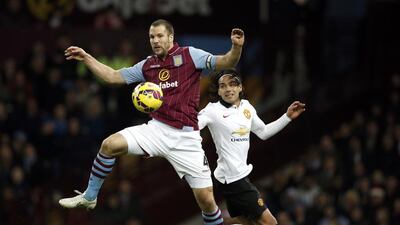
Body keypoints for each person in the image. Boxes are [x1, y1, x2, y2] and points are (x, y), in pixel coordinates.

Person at [58, 19, 244, 225]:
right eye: (151, 37)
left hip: (187, 138)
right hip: (156, 130)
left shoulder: (190, 55)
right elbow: (112, 76)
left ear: (171, 37)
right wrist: (87, 58)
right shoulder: (148, 65)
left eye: (160, 36)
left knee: (207, 201)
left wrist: (236, 47)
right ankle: (90, 196)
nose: (155, 41)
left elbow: (227, 62)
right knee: (109, 145)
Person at [198, 69, 305, 225]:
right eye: (223, 86)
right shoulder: (212, 110)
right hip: (233, 178)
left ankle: (217, 221)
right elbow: (192, 126)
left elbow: (263, 132)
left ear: (240, 87)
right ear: (219, 92)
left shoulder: (246, 107)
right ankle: (215, 221)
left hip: (232, 177)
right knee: (270, 223)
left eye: (232, 84)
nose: (228, 89)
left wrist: (287, 117)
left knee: (248, 222)